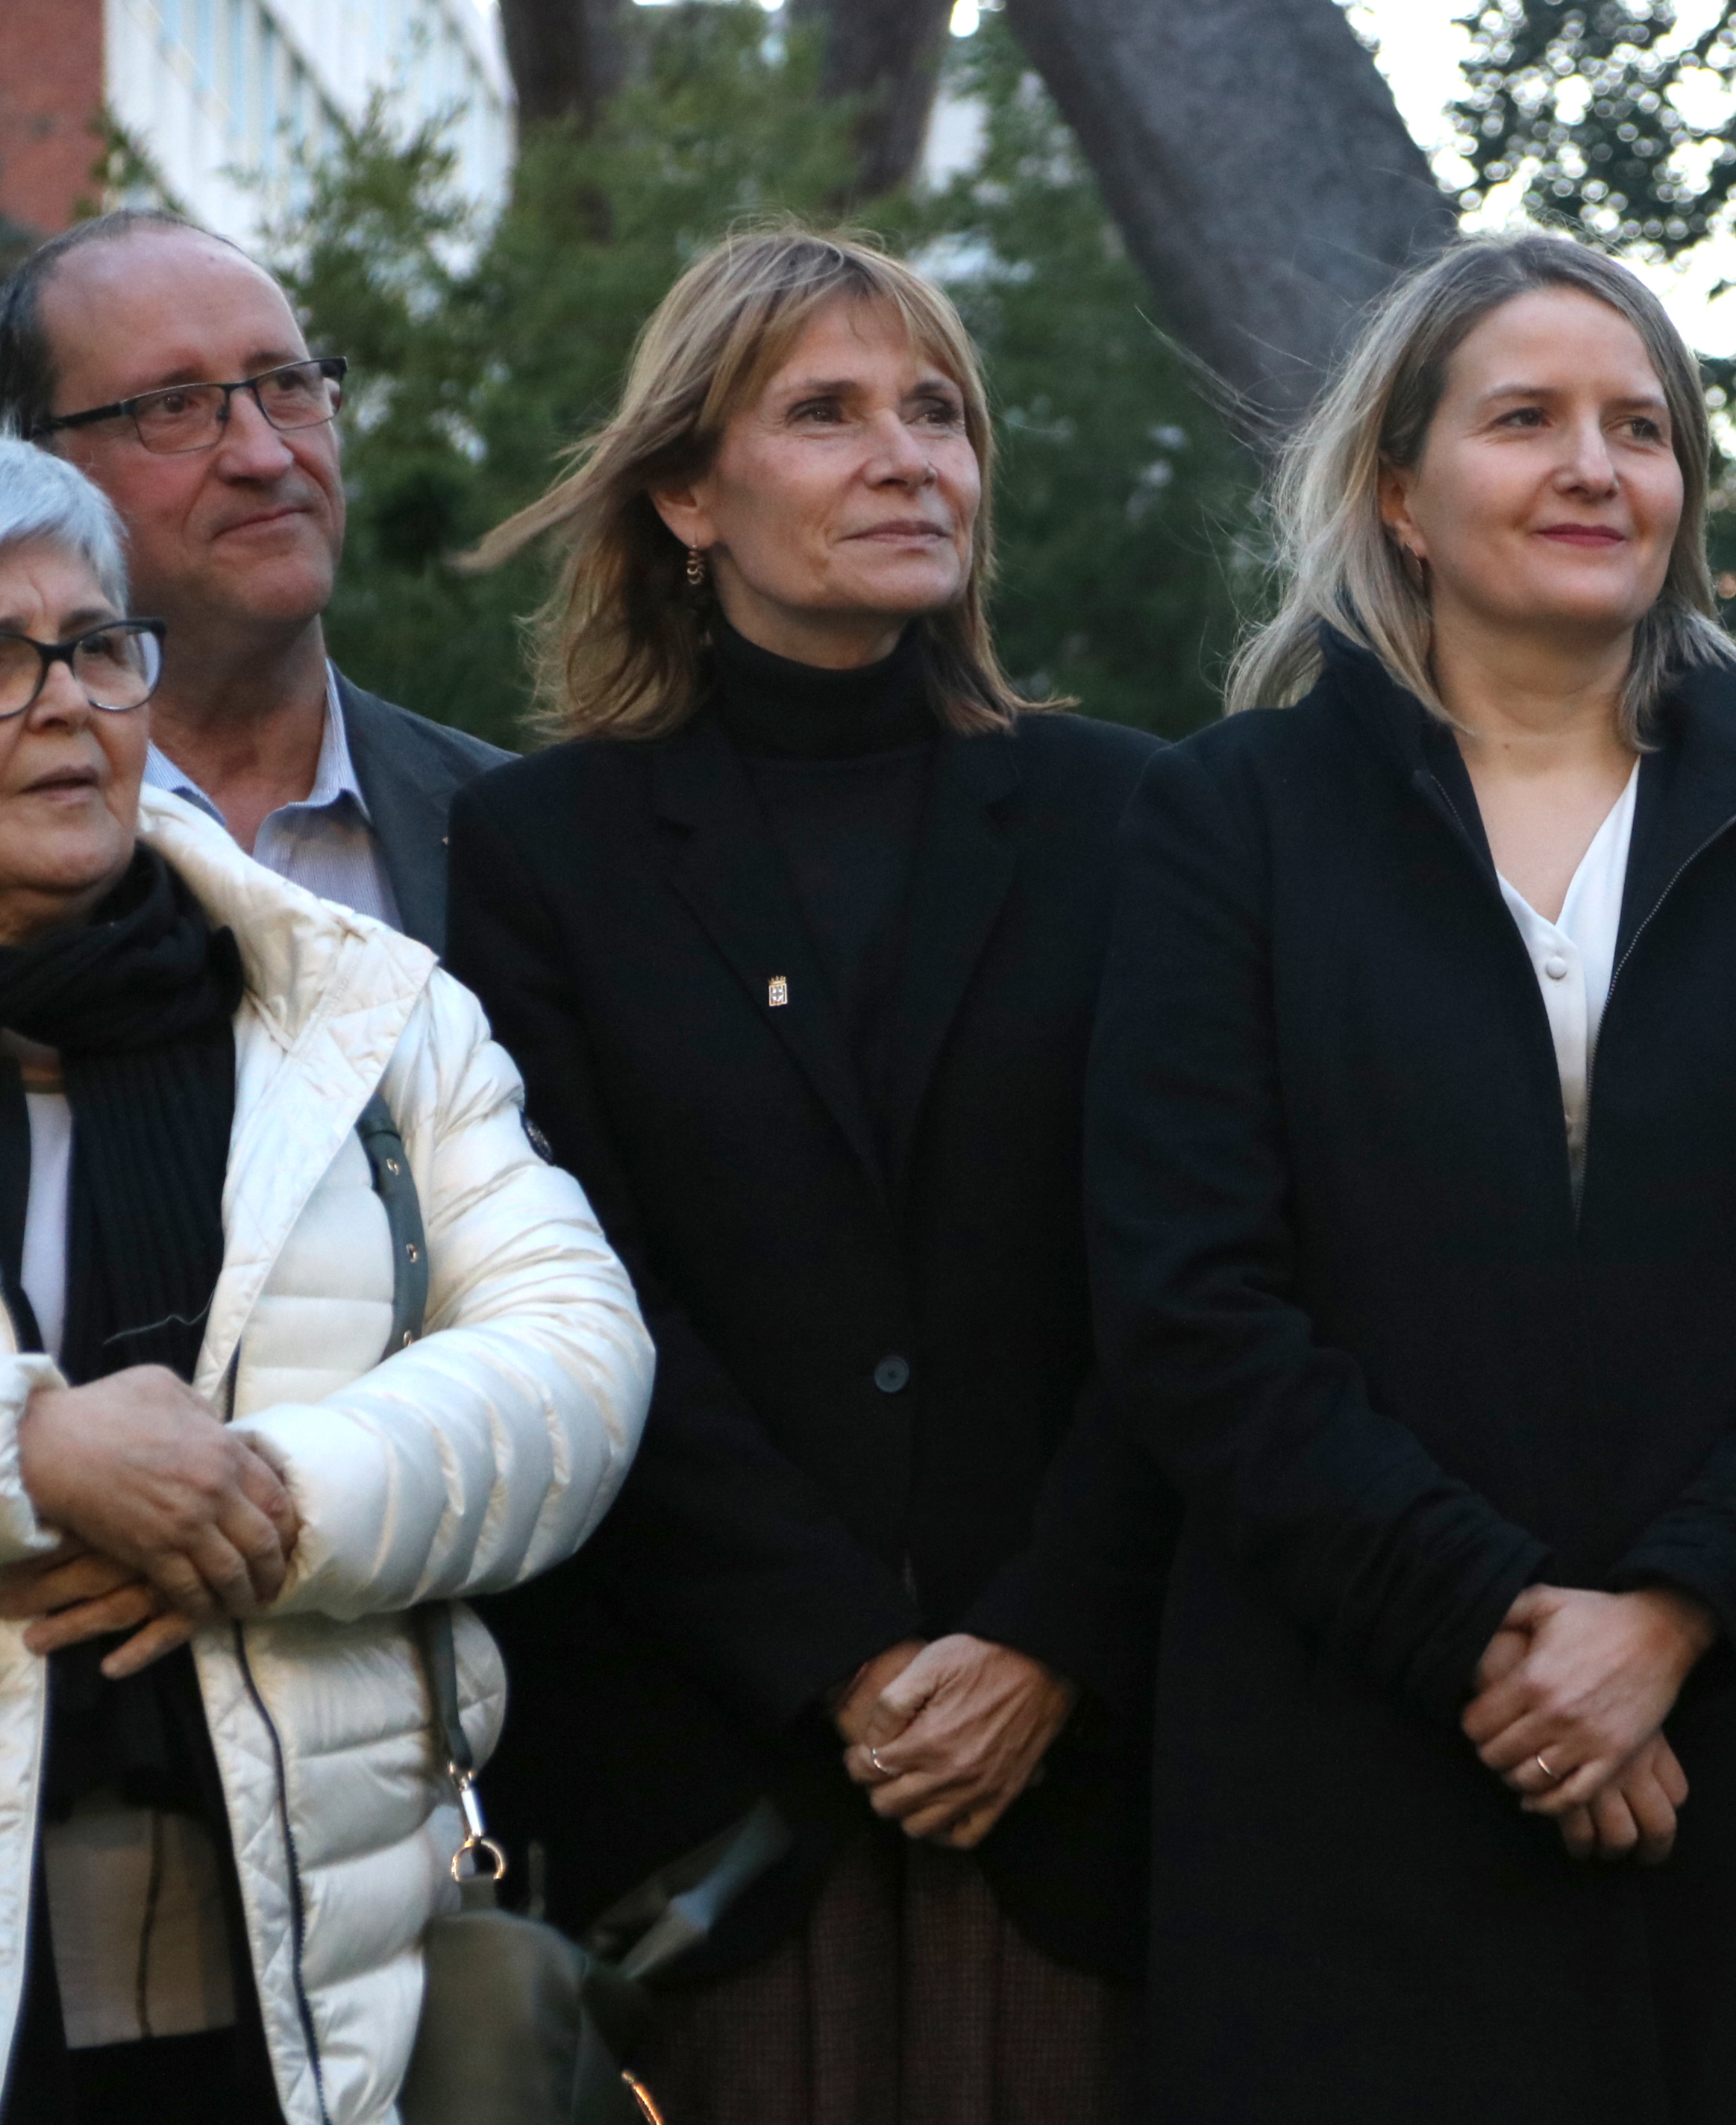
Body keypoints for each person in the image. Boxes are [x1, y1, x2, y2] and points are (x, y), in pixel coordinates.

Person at [1082, 230, 1736, 2123]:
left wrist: (1667, 1624)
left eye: (1640, 427)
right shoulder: (1225, 820)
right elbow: (1193, 1306)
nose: (1594, 465)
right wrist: (1507, 1630)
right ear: (1398, 493)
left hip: (1723, 1769)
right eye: (1526, 420)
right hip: (1339, 1764)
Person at [442, 228, 1168, 2125]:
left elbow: (1196, 1268)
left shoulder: (1134, 814)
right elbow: (574, 1287)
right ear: (690, 492)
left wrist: (1044, 1638)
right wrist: (846, 1655)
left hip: (1082, 1790)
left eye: (938, 412)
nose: (906, 456)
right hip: (713, 1789)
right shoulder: (540, 849)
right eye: (828, 413)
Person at [0, 436, 648, 2124]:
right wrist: (37, 1451)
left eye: (96, 644)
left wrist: (271, 1498)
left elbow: (576, 1355)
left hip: (319, 1987)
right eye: (2, 657)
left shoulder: (355, 1007)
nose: (64, 702)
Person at [0, 210, 506, 945]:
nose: (266, 456)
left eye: (289, 384)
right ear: (40, 461)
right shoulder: (25, 837)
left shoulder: (524, 830)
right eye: (174, 405)